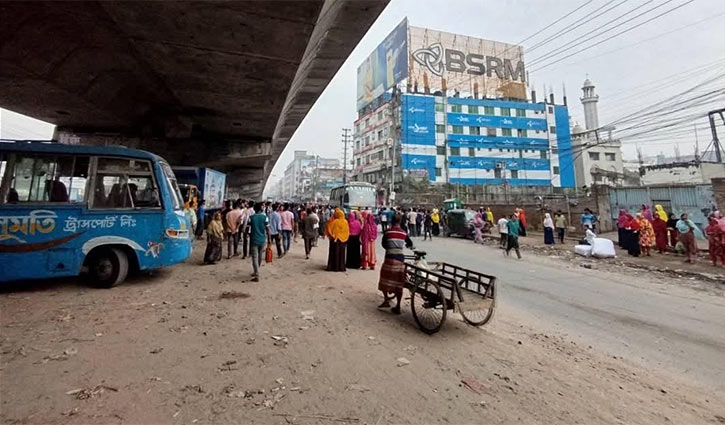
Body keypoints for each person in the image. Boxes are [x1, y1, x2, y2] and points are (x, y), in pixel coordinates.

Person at [378, 214, 414, 314]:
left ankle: (386, 300)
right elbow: (410, 244)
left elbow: (384, 244)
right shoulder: (404, 233)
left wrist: (390, 247)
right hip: (400, 259)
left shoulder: (387, 232)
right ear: (400, 222)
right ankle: (398, 305)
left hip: (389, 257)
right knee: (399, 283)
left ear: (391, 221)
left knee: (384, 279)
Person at [248, 202, 269, 282]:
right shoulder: (265, 217)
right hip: (262, 239)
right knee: (260, 256)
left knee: (255, 257)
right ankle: (257, 271)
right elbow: (268, 229)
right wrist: (269, 239)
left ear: (254, 209)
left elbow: (248, 228)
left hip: (254, 239)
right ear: (261, 209)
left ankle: (256, 273)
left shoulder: (251, 217)